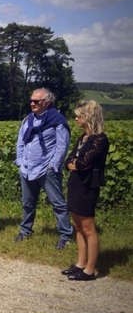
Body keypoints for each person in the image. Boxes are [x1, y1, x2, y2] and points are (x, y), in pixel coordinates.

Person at [14, 88, 73, 249]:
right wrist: (20, 161)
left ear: (47, 102)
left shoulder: (57, 121)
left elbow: (62, 145)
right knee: (27, 203)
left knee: (58, 203)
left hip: (46, 169)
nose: (32, 103)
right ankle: (25, 231)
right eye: (31, 101)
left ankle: (66, 235)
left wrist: (52, 165)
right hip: (27, 168)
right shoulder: (28, 120)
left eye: (36, 101)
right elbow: (21, 141)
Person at [62, 101, 109, 281]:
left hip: (88, 185)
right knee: (77, 225)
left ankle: (90, 269)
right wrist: (73, 164)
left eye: (78, 116)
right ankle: (80, 263)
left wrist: (76, 164)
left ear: (88, 117)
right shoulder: (82, 138)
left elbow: (84, 162)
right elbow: (69, 161)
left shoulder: (100, 140)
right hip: (76, 183)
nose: (75, 119)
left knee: (88, 227)